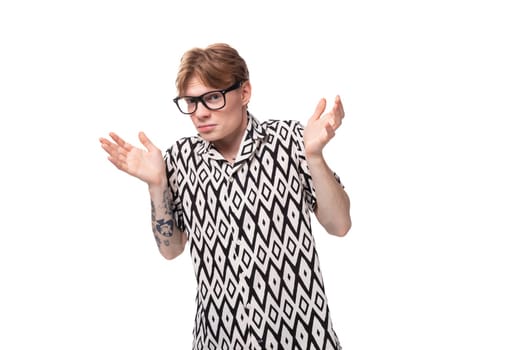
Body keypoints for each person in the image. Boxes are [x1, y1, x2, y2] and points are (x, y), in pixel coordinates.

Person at [99, 43, 351, 350]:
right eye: (190, 102)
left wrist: (313, 156)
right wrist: (156, 185)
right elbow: (171, 249)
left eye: (213, 97)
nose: (200, 113)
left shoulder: (289, 141)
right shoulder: (180, 159)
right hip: (218, 340)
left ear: (244, 93)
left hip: (302, 338)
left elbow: (339, 225)